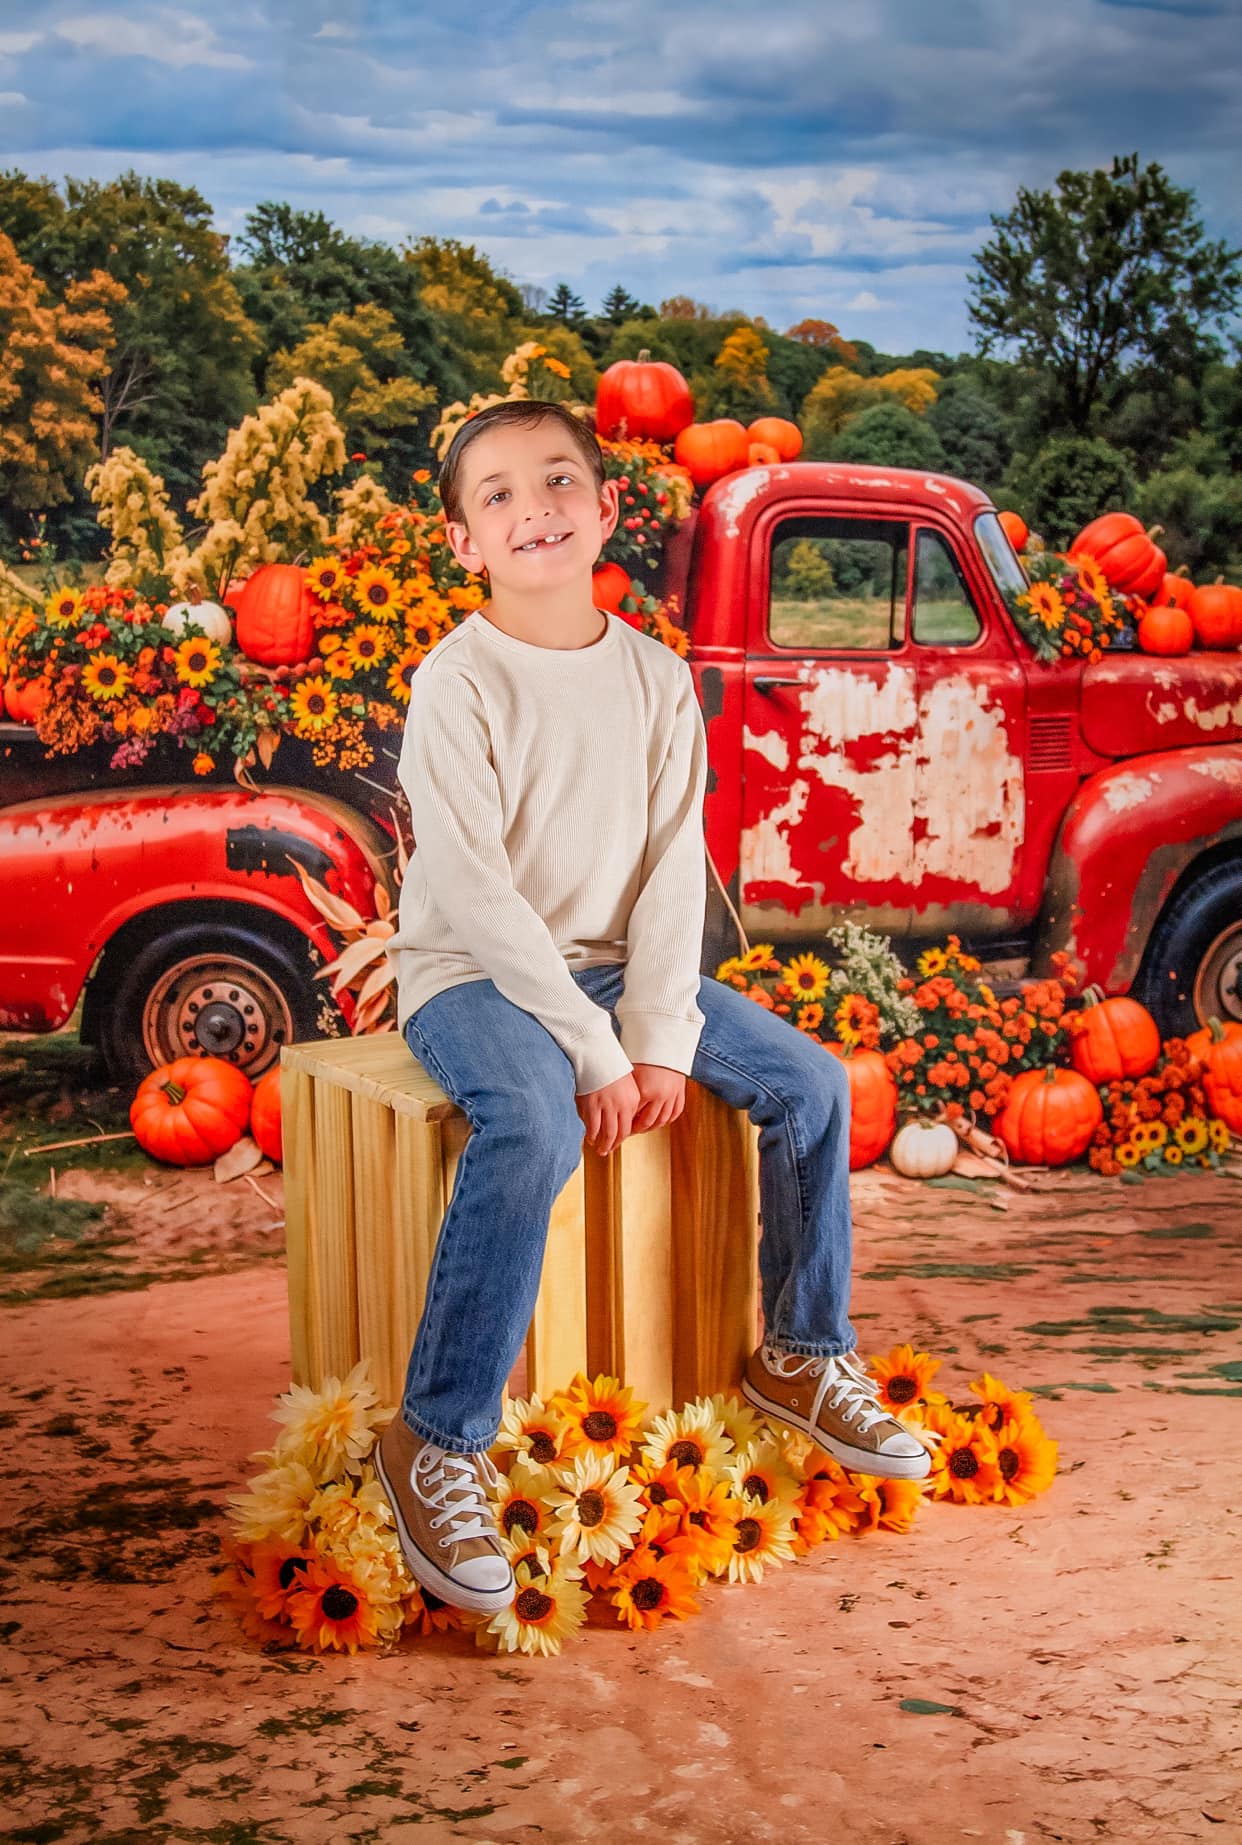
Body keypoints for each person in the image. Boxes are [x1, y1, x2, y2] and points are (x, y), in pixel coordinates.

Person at [374, 399, 930, 1618]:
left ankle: (802, 1351)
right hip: (470, 974)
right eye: (499, 494)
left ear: (608, 507)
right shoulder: (456, 685)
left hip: (615, 968)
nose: (536, 509)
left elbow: (677, 868)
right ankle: (436, 1438)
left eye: (559, 480)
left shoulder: (656, 679)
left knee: (812, 1086)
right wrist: (592, 1050)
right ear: (463, 540)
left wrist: (658, 1032)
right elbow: (472, 891)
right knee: (533, 1121)